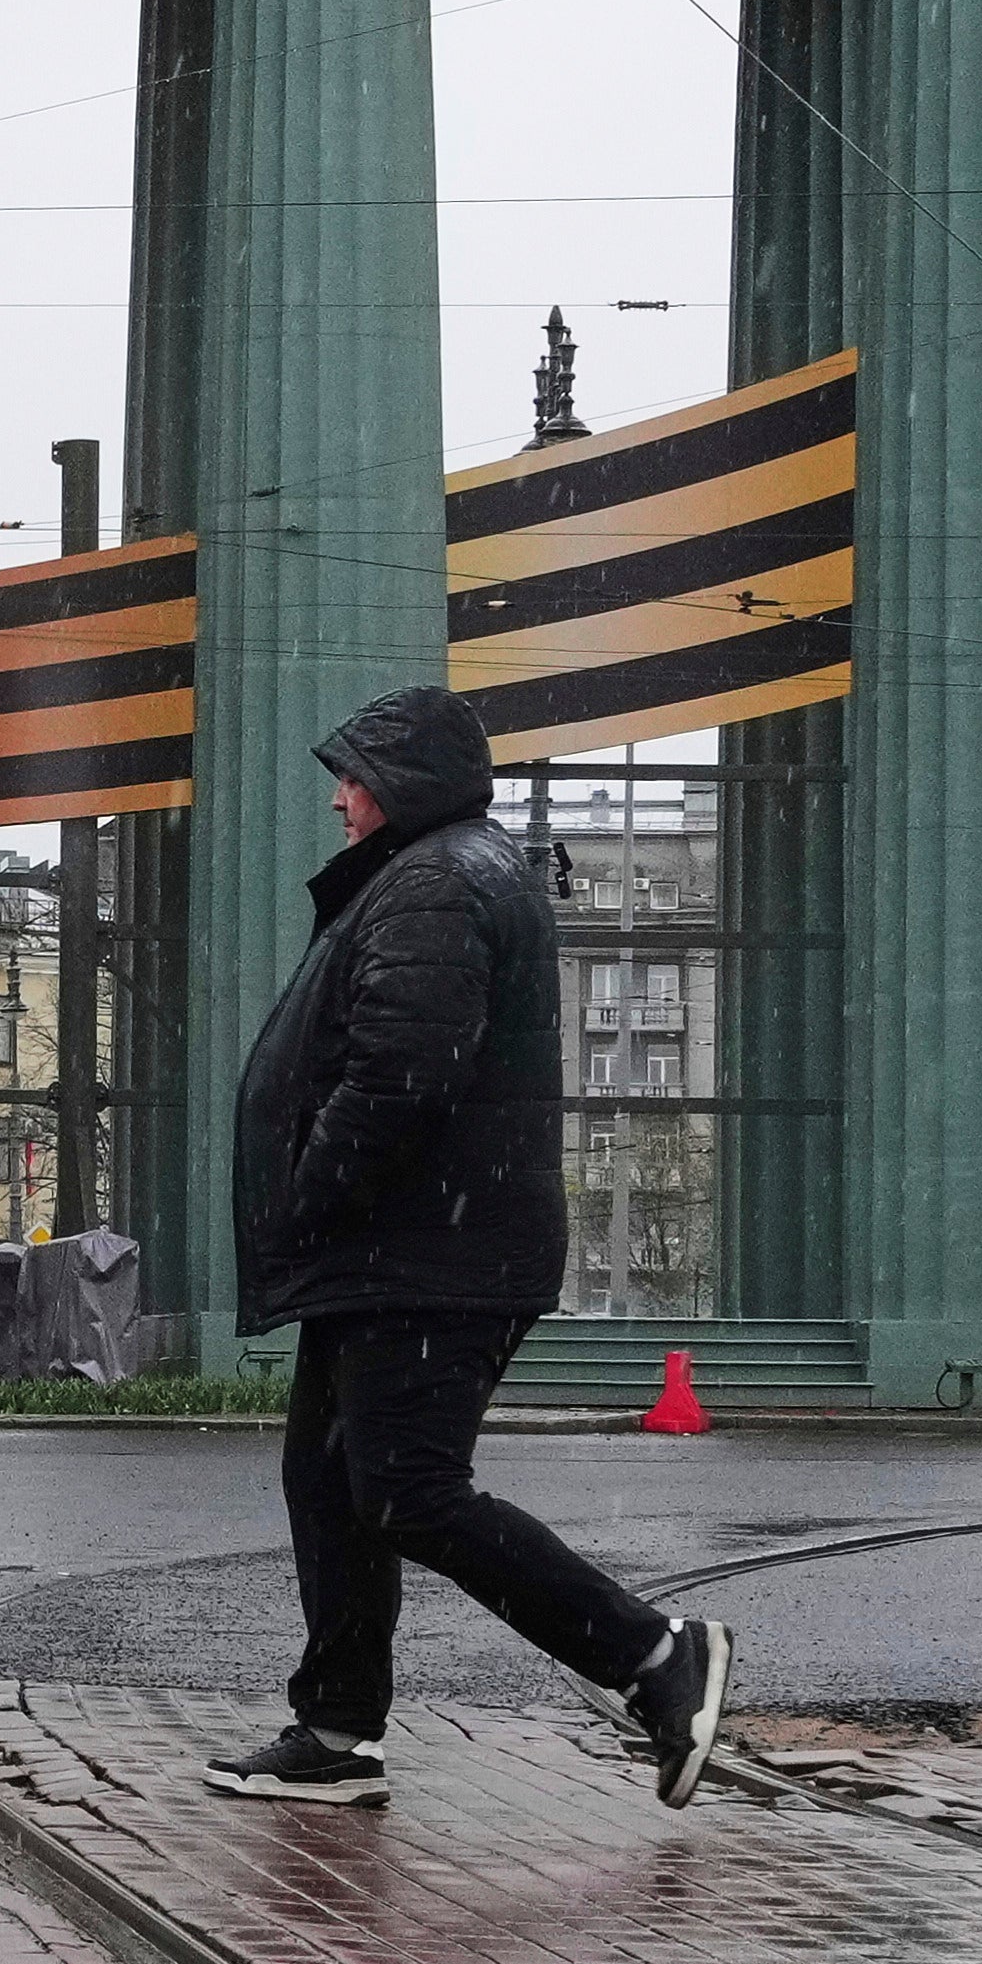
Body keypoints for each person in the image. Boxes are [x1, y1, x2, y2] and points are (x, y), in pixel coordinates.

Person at [207, 684, 735, 1812]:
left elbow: (400, 1073)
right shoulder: (440, 871)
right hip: (406, 1248)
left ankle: (654, 1656)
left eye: (354, 777)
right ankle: (338, 1729)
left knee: (406, 1489)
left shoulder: (437, 882)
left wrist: (306, 1195)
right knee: (333, 1483)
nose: (340, 799)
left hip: (425, 1252)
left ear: (402, 785)